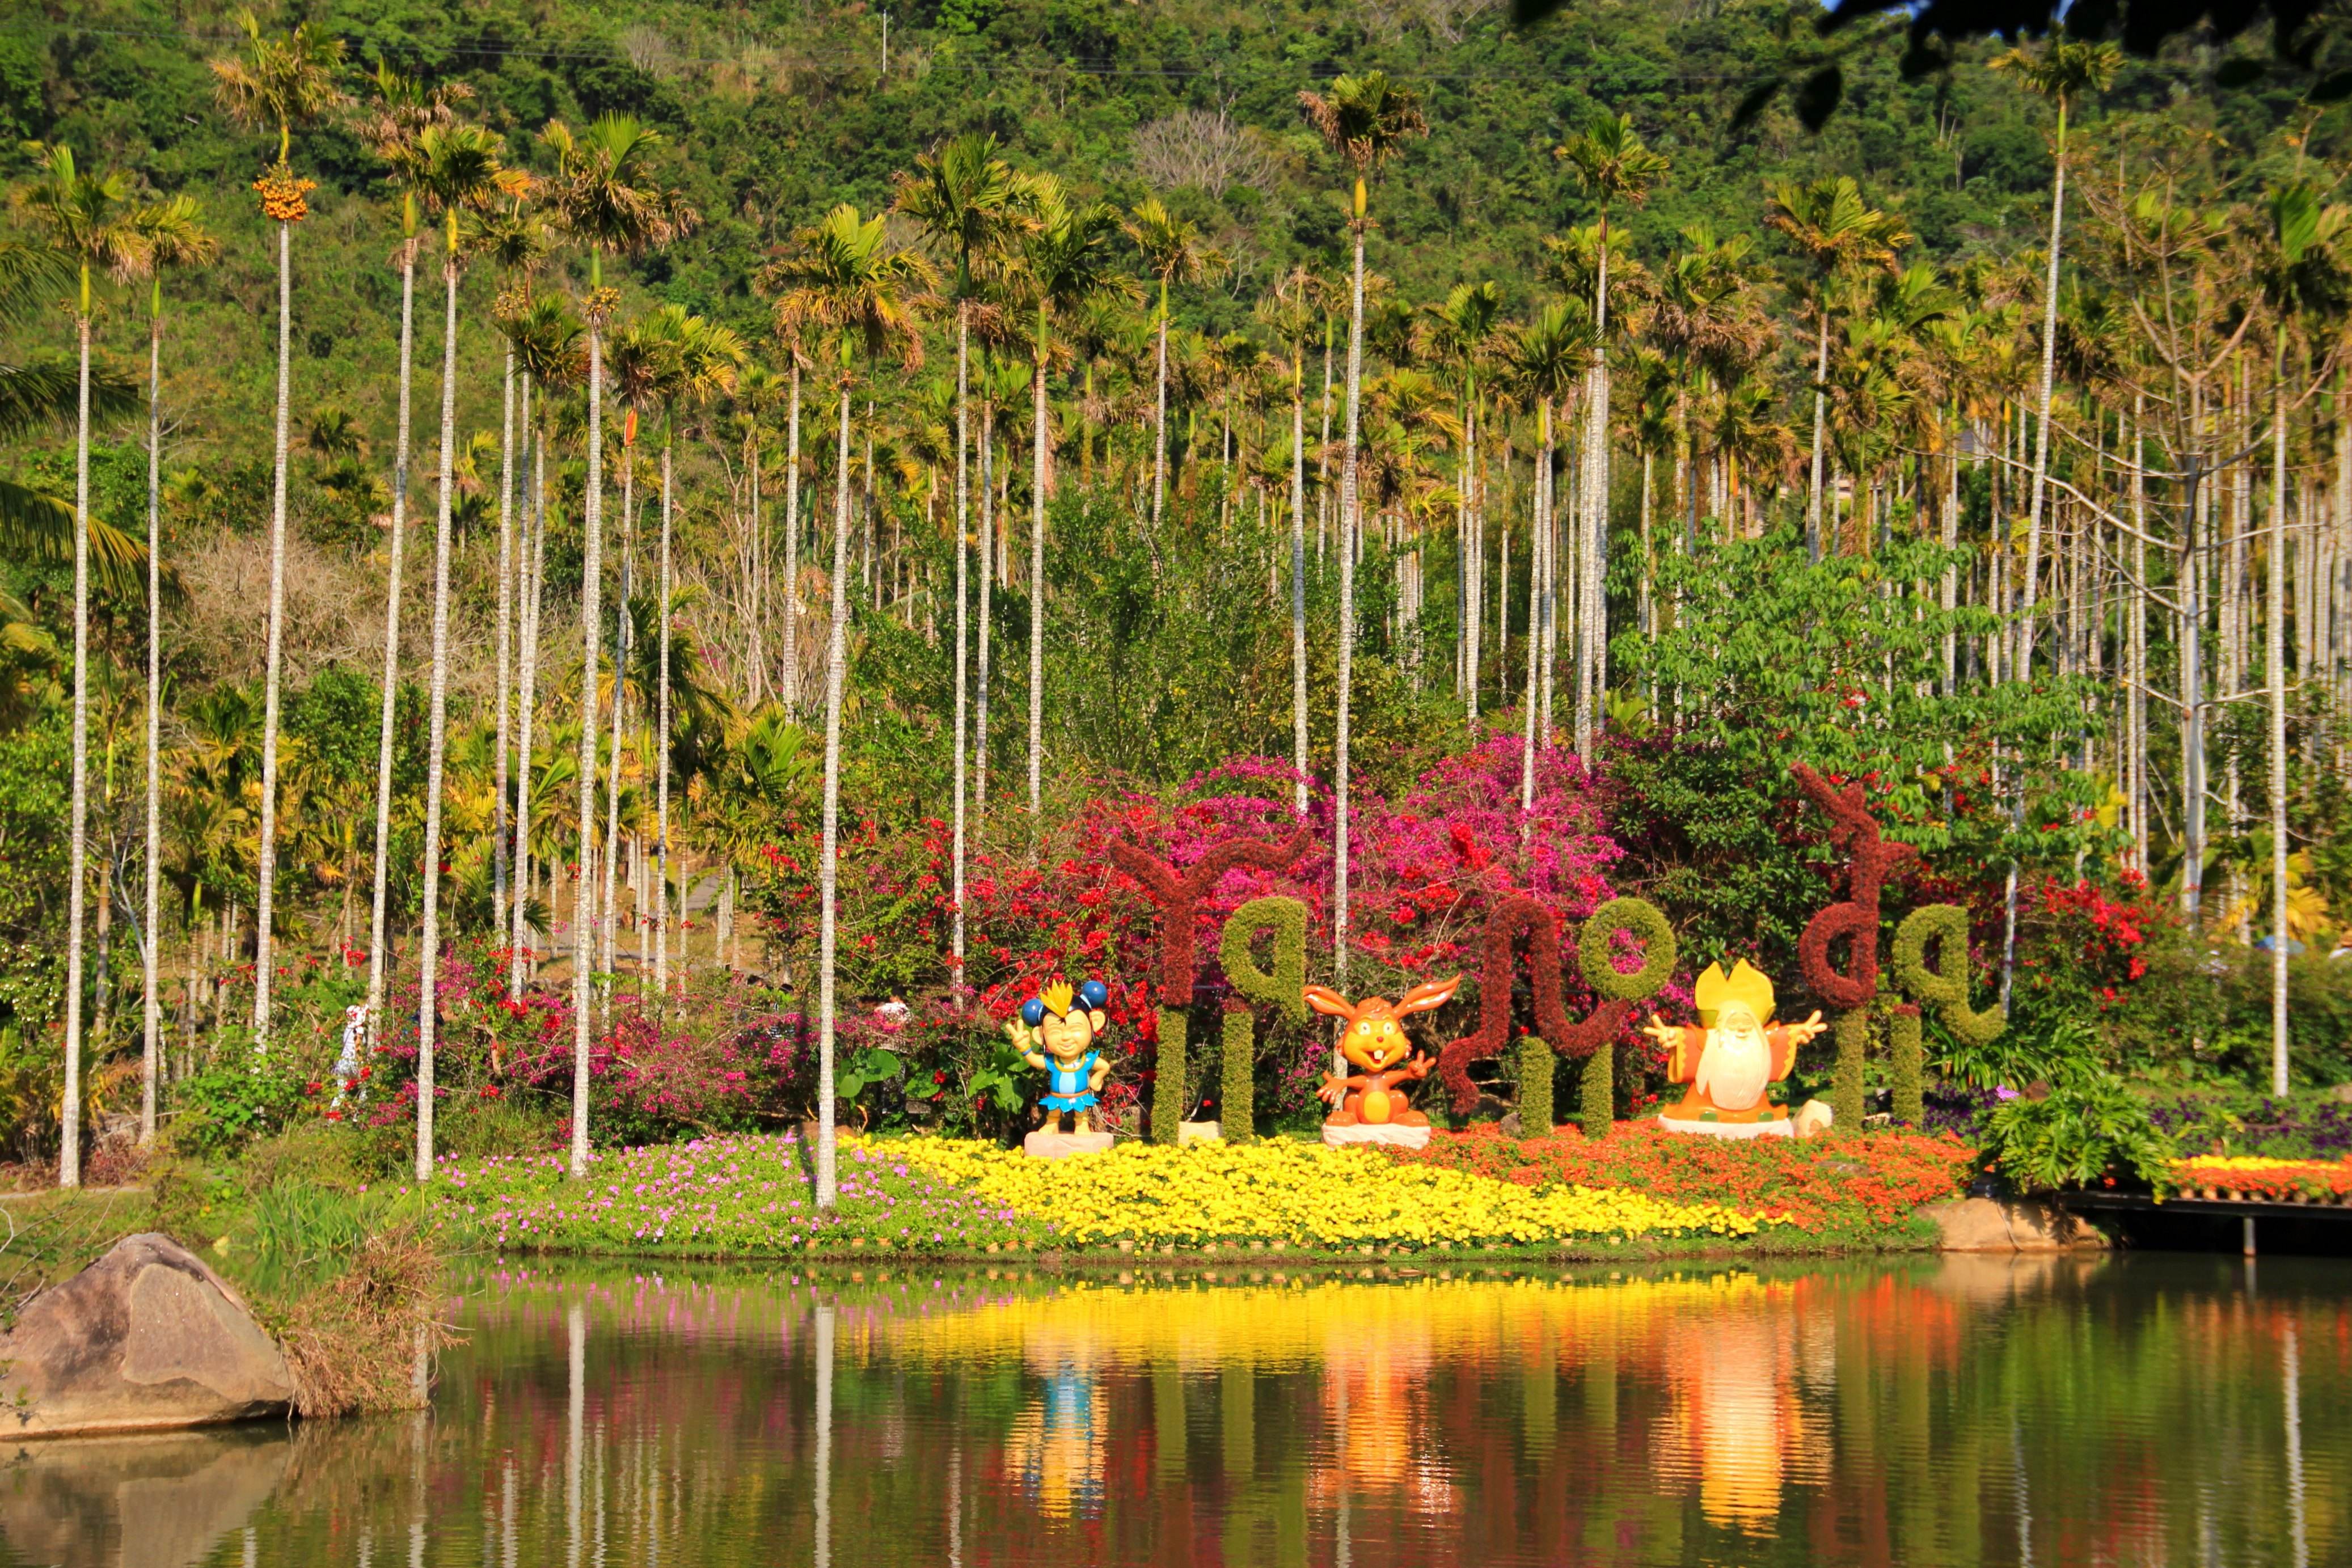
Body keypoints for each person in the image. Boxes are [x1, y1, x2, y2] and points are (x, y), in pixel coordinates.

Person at [1008, 979, 1113, 1135]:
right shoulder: (1053, 1061)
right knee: (1054, 1110)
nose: (1065, 1037)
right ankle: (1052, 1124)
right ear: (1040, 1035)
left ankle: (1082, 1124)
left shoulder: (1086, 1061)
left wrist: (1097, 1078)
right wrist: (1025, 1048)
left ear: (1095, 1023)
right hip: (1057, 1097)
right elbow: (1035, 1060)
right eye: (1056, 1031)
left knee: (1081, 1111)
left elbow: (1105, 1066)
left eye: (1075, 1028)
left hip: (1080, 1096)